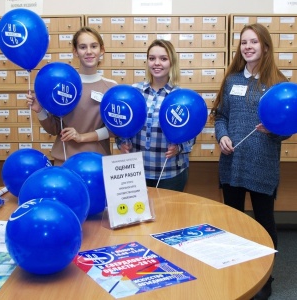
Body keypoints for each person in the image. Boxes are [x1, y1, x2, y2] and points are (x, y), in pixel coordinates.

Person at [211, 23, 290, 300]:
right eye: (244, 42)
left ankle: (265, 277)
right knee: (232, 223)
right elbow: (219, 115)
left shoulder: (278, 83)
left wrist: (275, 130)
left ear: (265, 46)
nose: (248, 47)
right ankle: (234, 270)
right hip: (232, 163)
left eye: (254, 42)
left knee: (265, 222)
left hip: (262, 166)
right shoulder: (232, 80)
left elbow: (288, 125)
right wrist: (221, 136)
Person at [26, 26, 117, 165]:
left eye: (93, 46)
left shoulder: (111, 87)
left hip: (97, 163)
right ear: (75, 52)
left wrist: (82, 137)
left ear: (102, 50)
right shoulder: (64, 83)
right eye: (82, 47)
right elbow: (55, 129)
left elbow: (114, 129)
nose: (89, 52)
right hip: (65, 161)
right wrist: (40, 110)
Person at [117, 39, 195, 192]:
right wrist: (121, 142)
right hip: (136, 170)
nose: (157, 63)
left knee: (169, 215)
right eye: (152, 58)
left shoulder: (180, 96)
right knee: (139, 215)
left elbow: (191, 134)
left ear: (171, 62)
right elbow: (121, 122)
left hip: (170, 172)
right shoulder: (134, 92)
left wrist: (179, 148)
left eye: (163, 59)